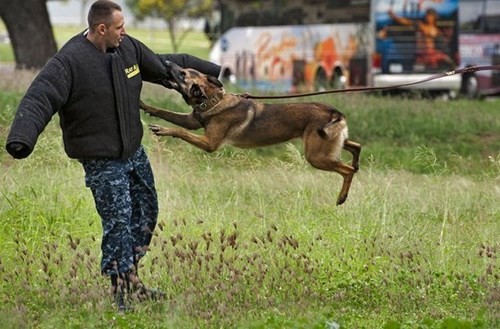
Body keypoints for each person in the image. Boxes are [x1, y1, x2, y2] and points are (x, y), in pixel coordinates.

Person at [5, 0, 220, 312]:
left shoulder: (128, 49)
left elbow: (163, 66)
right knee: (118, 221)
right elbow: (40, 97)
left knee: (146, 212)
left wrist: (213, 74)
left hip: (133, 150)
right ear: (101, 28)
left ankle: (132, 279)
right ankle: (121, 293)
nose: (125, 32)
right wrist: (21, 138)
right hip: (101, 158)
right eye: (120, 27)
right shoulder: (69, 62)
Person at [388, 7, 454, 69]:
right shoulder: (420, 25)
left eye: (429, 15)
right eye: (426, 15)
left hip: (431, 55)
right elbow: (406, 22)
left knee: (446, 59)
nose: (427, 17)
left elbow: (431, 33)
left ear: (434, 17)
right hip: (421, 55)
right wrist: (394, 16)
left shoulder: (435, 30)